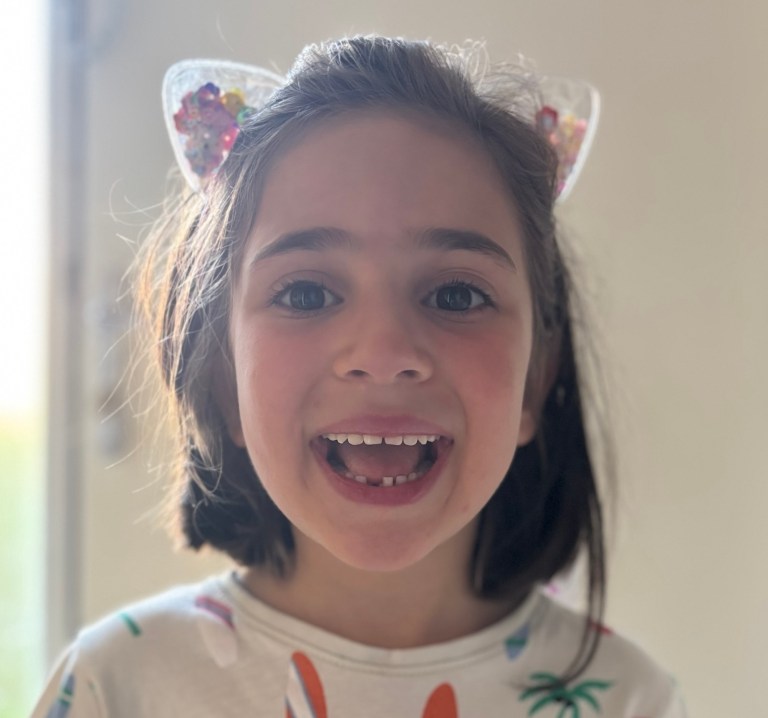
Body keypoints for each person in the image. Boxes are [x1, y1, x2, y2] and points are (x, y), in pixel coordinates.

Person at [33, 36, 687, 717]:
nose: (382, 352)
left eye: (456, 295)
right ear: (224, 377)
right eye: (306, 293)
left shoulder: (631, 699)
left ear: (535, 376)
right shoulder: (116, 687)